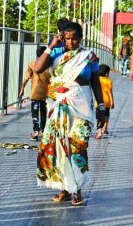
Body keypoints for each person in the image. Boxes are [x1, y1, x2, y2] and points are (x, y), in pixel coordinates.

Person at [33, 21, 106, 206]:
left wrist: (102, 107)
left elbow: (96, 83)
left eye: (74, 39)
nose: (71, 42)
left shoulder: (89, 57)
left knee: (77, 146)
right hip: (58, 107)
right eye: (67, 39)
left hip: (81, 109)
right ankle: (66, 188)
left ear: (80, 39)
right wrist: (51, 45)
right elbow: (38, 68)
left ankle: (77, 189)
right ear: (62, 38)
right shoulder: (56, 54)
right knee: (58, 146)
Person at [19, 45, 52, 140]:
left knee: (35, 113)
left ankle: (36, 131)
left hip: (35, 93)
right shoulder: (49, 65)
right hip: (46, 93)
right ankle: (43, 130)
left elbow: (26, 78)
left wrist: (22, 89)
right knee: (43, 112)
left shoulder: (32, 64)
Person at [96, 64, 114, 139]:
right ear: (106, 73)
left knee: (100, 117)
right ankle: (105, 128)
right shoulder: (109, 81)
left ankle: (99, 132)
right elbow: (110, 92)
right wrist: (112, 102)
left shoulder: (97, 80)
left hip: (99, 102)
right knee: (106, 116)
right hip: (107, 102)